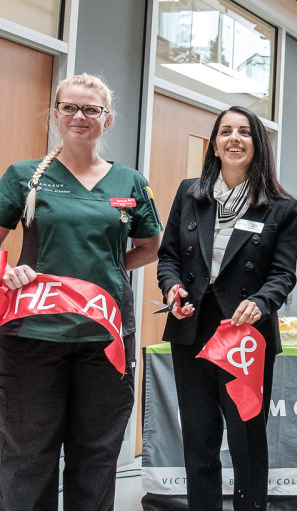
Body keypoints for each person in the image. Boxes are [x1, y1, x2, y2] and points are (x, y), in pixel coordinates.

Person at [0, 74, 163, 511]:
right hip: (33, 334)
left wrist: (105, 270)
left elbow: (150, 247)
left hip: (106, 337)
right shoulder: (22, 177)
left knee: (96, 455)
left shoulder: (130, 182)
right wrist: (9, 273)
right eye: (69, 107)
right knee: (28, 454)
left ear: (107, 119)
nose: (79, 116)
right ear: (55, 114)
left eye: (91, 109)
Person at [155, 106, 297, 511]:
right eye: (225, 132)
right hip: (192, 330)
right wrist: (173, 288)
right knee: (199, 437)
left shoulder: (281, 207)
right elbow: (168, 257)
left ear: (258, 145)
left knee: (246, 437)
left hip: (245, 337)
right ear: (214, 144)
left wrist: (260, 302)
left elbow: (283, 274)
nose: (234, 139)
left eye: (244, 132)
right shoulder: (190, 193)